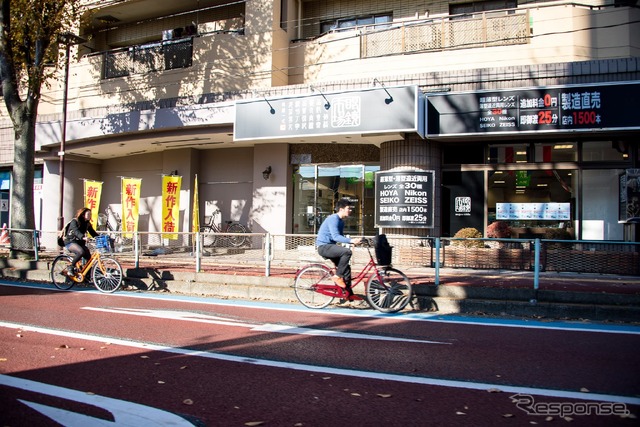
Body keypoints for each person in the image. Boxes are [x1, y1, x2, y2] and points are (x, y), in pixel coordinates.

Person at [316, 198, 364, 297]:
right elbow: (335, 237)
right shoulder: (333, 219)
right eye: (348, 208)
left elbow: (340, 237)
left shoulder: (341, 221)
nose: (350, 210)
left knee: (346, 268)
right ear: (341, 209)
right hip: (324, 247)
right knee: (347, 252)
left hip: (330, 246)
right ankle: (337, 277)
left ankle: (347, 294)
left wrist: (354, 242)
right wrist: (351, 241)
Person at [63, 207, 99, 276]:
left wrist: (101, 237)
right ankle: (71, 267)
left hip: (80, 243)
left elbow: (93, 233)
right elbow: (76, 232)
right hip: (71, 242)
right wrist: (83, 237)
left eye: (90, 214)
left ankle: (87, 275)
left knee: (89, 258)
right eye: (88, 214)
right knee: (81, 251)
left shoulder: (87, 223)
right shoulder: (75, 221)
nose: (90, 216)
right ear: (83, 215)